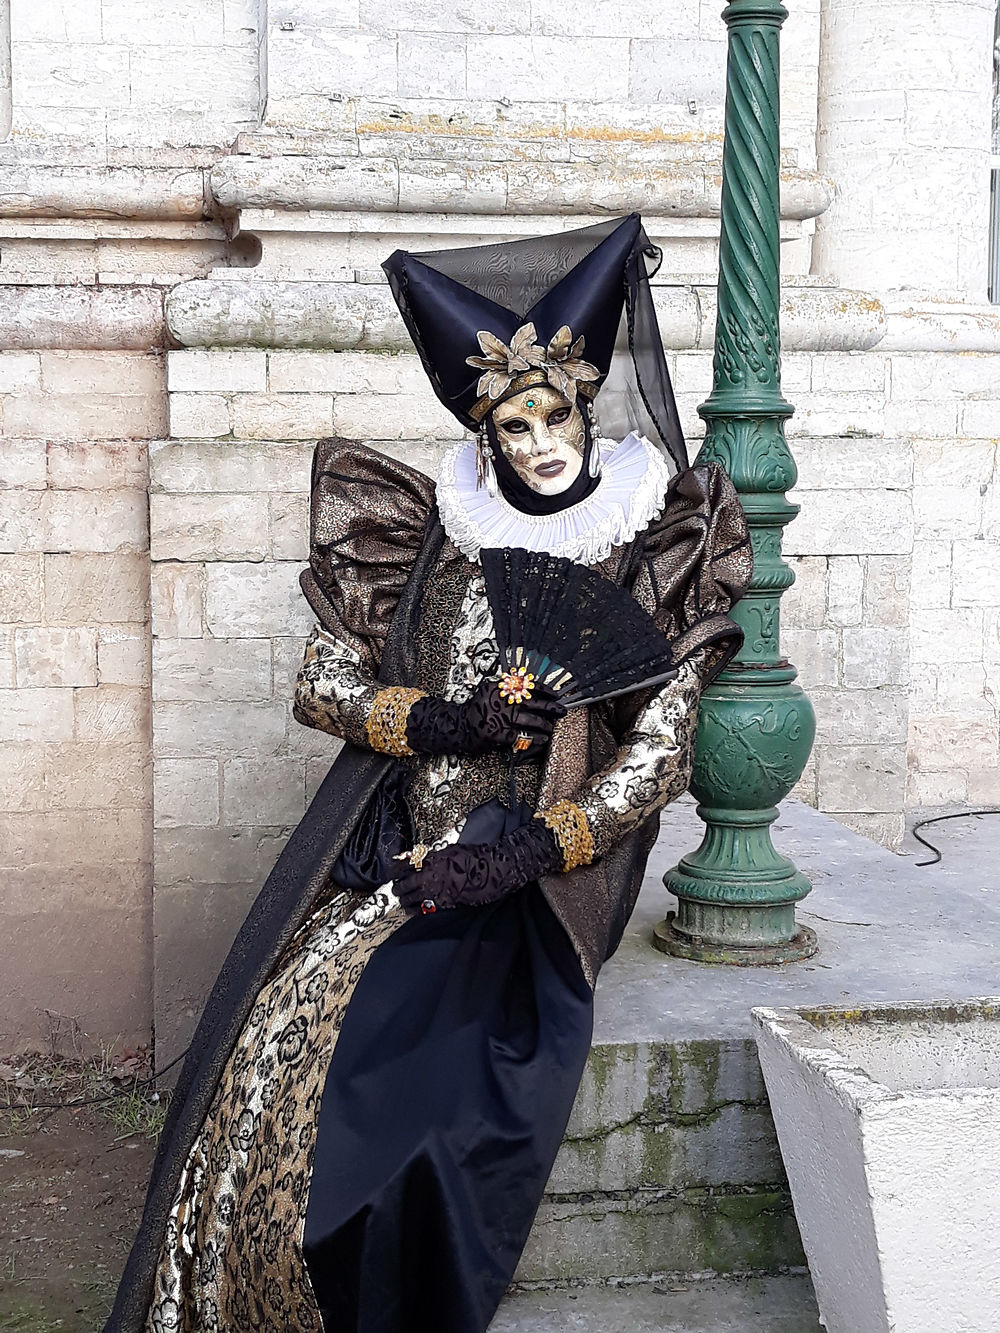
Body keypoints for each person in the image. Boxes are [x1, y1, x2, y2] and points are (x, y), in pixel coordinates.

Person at [104, 213, 751, 1333]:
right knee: (273, 1025)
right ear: (487, 435)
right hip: (397, 855)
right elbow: (323, 683)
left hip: (532, 877)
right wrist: (436, 720)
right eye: (514, 425)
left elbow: (658, 752)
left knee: (407, 1097)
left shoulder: (647, 549)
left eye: (555, 416)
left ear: (585, 412)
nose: (541, 442)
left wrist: (534, 848)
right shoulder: (436, 537)